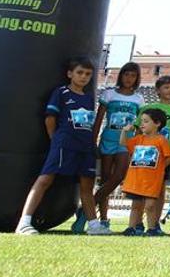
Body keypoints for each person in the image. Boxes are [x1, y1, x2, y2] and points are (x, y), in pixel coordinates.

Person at [15, 57, 109, 236]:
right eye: (80, 73)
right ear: (70, 74)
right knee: (45, 179)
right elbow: (50, 118)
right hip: (64, 144)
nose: (84, 77)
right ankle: (24, 222)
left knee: (86, 186)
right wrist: (55, 140)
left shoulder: (89, 99)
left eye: (88, 74)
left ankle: (94, 225)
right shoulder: (61, 93)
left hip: (85, 147)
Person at [92, 62, 144, 229]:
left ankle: (87, 206)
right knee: (105, 180)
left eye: (133, 76)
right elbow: (99, 119)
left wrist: (137, 143)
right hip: (108, 139)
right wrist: (93, 141)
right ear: (121, 75)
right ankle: (104, 220)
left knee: (119, 175)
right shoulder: (108, 94)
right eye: (126, 74)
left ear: (137, 78)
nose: (129, 78)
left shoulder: (139, 99)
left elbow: (140, 124)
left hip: (126, 142)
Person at [137, 75, 170, 235]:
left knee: (159, 190)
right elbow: (139, 130)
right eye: (166, 87)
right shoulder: (148, 108)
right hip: (146, 153)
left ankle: (154, 223)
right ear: (158, 90)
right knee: (141, 189)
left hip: (165, 155)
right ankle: (136, 223)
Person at [119, 108, 170, 236]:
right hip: (136, 179)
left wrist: (161, 168)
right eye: (142, 121)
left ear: (157, 123)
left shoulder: (161, 140)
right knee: (136, 205)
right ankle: (131, 228)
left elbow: (169, 156)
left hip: (152, 180)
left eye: (146, 121)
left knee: (150, 205)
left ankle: (152, 228)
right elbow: (122, 143)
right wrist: (124, 131)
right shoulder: (139, 139)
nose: (142, 124)